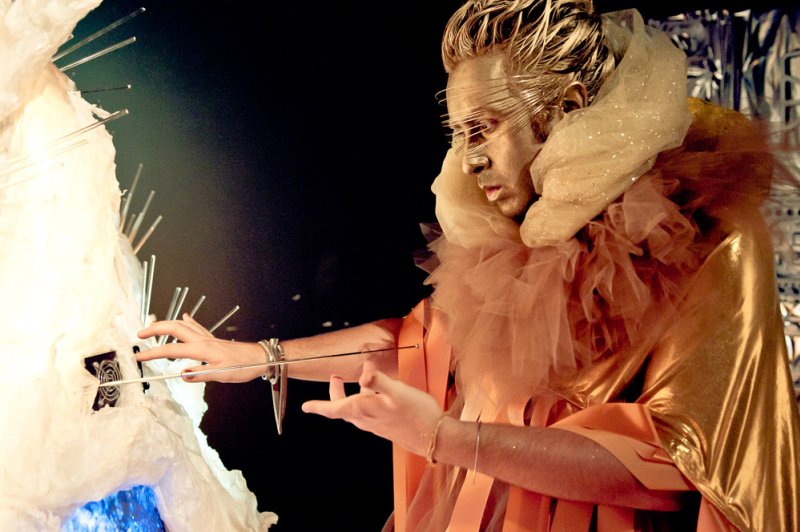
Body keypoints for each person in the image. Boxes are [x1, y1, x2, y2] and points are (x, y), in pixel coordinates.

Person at [138, 1, 800, 530]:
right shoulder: (507, 229)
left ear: (569, 109)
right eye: (459, 134)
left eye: (484, 128)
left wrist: (445, 438)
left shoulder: (706, 234)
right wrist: (257, 357)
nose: (469, 159)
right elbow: (420, 343)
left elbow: (679, 465)